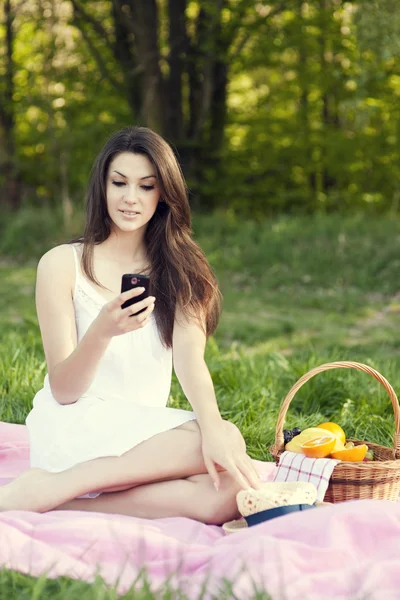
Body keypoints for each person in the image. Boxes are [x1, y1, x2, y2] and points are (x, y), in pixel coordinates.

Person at [0, 126, 261, 524]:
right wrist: (102, 330)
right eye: (119, 182)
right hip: (75, 428)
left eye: (146, 186)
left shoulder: (184, 270)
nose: (130, 198)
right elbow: (64, 390)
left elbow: (191, 364)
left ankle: (56, 496)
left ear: (163, 194)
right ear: (102, 186)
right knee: (219, 440)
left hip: (143, 440)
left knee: (232, 487)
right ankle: (63, 482)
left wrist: (213, 428)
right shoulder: (61, 264)